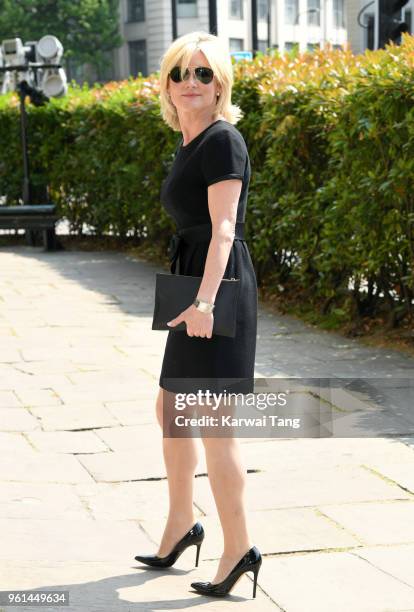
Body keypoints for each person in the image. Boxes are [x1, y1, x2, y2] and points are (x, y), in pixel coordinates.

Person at [134, 31, 262, 599]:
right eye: (181, 72)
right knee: (170, 408)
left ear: (220, 85)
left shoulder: (222, 140)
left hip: (216, 283)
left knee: (212, 420)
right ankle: (181, 523)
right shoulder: (188, 143)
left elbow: (224, 229)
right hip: (192, 278)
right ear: (166, 83)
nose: (191, 82)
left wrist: (206, 300)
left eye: (204, 74)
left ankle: (239, 549)